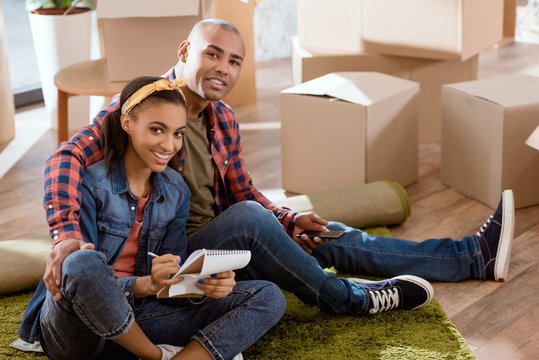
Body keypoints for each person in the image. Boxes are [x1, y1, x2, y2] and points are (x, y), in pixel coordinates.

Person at [31, 18, 514, 321]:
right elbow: (66, 157)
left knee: (326, 234)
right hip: (170, 255)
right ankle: (345, 299)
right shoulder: (146, 105)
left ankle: (472, 256)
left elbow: (243, 190)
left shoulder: (222, 119)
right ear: (184, 52)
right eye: (212, 53)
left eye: (234, 61)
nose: (223, 67)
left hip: (224, 243)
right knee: (255, 223)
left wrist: (287, 220)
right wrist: (65, 237)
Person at [18, 76, 286, 360]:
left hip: (142, 317)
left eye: (178, 133)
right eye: (157, 130)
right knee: (82, 261)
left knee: (268, 297)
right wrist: (147, 284)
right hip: (80, 330)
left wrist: (204, 285)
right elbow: (81, 282)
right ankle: (155, 357)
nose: (169, 145)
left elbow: (170, 279)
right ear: (127, 123)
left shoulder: (176, 191)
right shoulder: (90, 184)